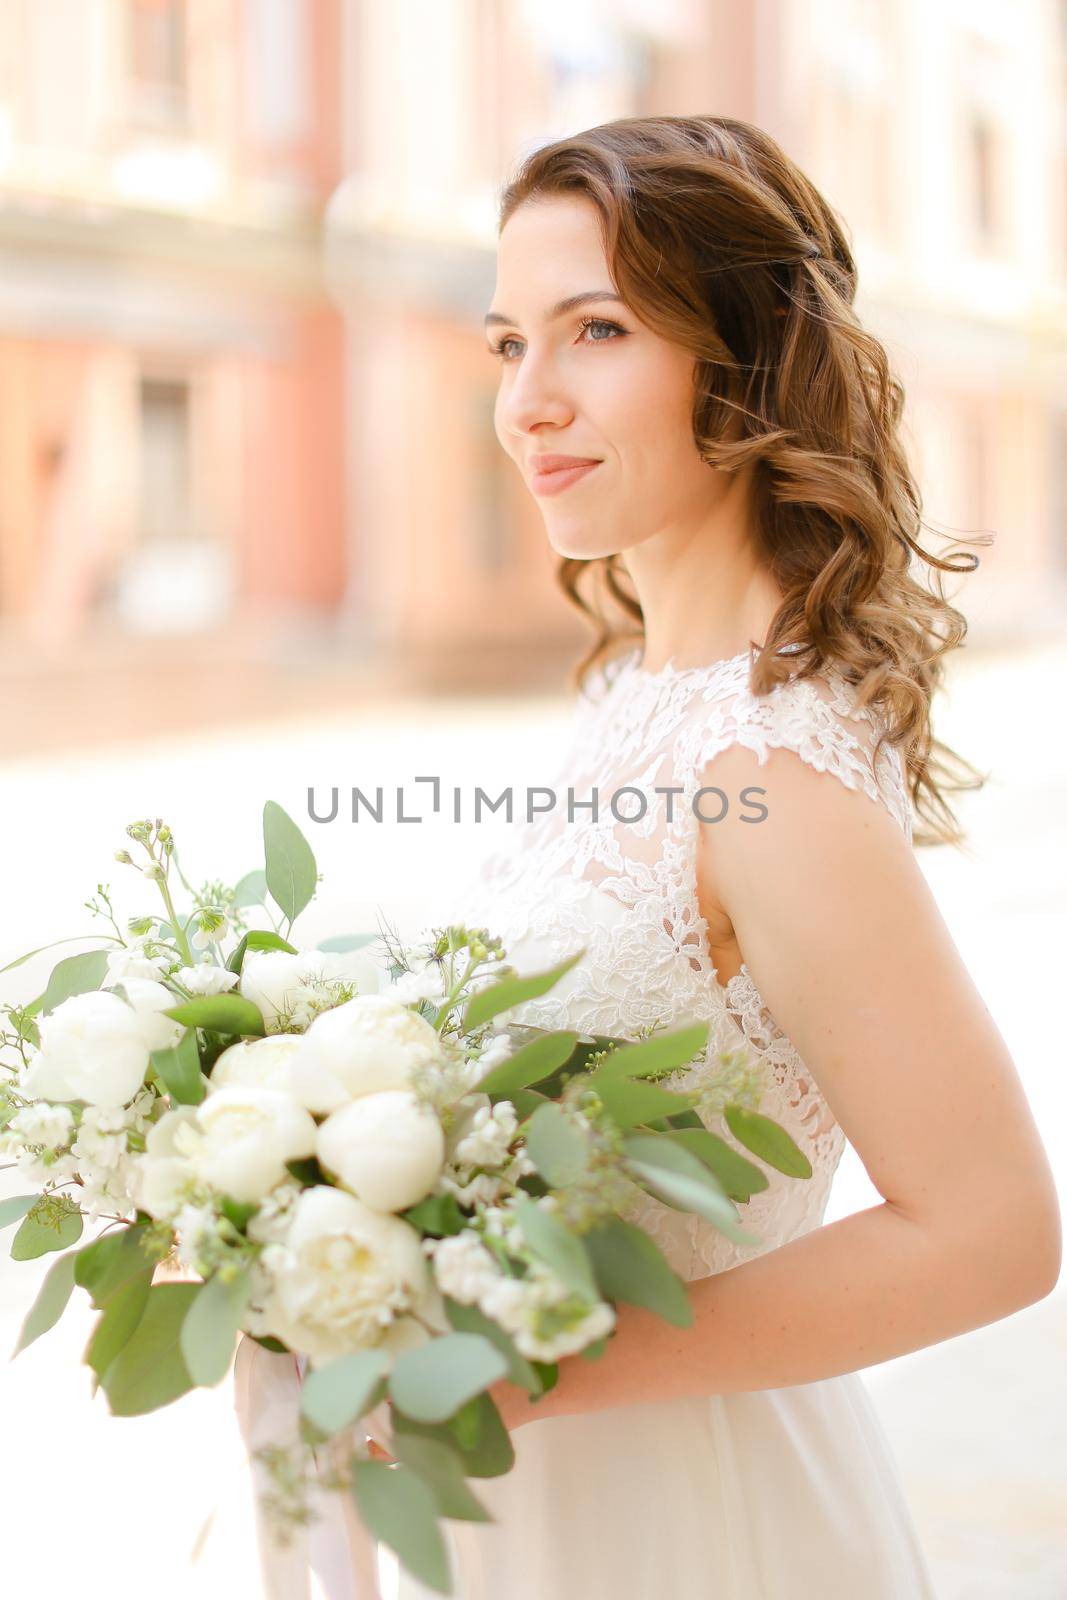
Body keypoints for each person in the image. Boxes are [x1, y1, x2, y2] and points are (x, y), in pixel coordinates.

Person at [386, 114, 1060, 1599]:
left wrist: (539, 1373)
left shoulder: (770, 766)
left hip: (678, 1514)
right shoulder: (633, 691)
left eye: (598, 330)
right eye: (508, 344)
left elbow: (995, 1231)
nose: (530, 402)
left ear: (741, 355)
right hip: (534, 1507)